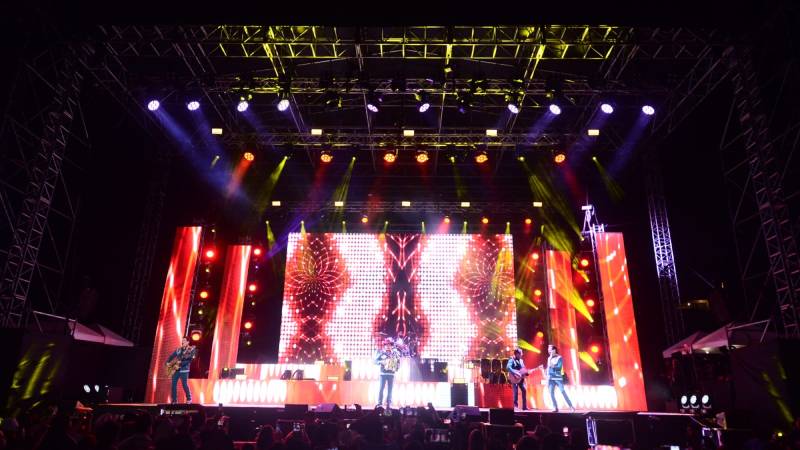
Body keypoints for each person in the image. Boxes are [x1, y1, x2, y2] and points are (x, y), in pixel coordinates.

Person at [542, 345, 575, 412]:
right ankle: (555, 407)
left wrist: (552, 365)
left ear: (554, 350)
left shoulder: (559, 358)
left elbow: (559, 367)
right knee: (551, 393)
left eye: (550, 350)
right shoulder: (549, 358)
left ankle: (571, 406)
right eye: (548, 350)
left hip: (557, 378)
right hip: (551, 378)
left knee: (562, 391)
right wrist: (546, 375)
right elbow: (548, 368)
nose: (549, 351)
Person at [166, 337, 197, 404]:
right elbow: (172, 355)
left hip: (184, 370)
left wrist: (181, 364)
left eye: (184, 341)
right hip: (176, 369)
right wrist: (167, 362)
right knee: (173, 384)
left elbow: (189, 360)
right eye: (182, 341)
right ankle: (174, 400)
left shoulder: (191, 349)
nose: (183, 342)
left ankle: (189, 399)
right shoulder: (179, 349)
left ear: (188, 342)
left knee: (184, 384)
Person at [374, 338, 401, 409]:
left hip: (391, 374)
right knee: (381, 388)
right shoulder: (381, 352)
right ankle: (379, 403)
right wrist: (381, 362)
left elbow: (398, 362)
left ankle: (388, 403)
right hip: (383, 374)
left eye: (390, 344)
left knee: (390, 390)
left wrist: (396, 367)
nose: (388, 346)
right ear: (385, 345)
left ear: (392, 345)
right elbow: (375, 361)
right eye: (387, 344)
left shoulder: (395, 353)